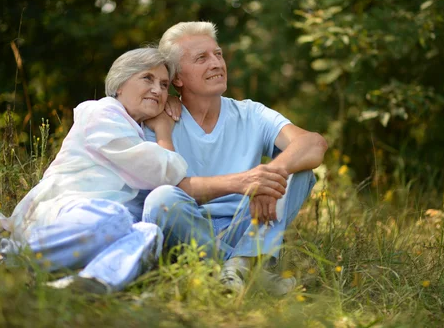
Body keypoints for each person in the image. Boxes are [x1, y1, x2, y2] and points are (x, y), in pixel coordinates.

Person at [127, 22, 328, 295]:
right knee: (162, 199)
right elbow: (173, 187)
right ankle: (252, 274)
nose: (216, 63)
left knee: (299, 172)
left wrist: (269, 175)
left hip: (248, 225)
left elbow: (313, 143)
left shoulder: (251, 113)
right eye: (202, 58)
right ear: (177, 78)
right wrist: (243, 181)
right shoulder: (159, 119)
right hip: (190, 230)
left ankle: (240, 264)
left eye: (218, 54)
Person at [0, 48, 188, 293]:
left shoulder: (133, 127)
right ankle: (6, 261)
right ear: (120, 83)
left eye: (165, 85)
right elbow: (164, 173)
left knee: (150, 232)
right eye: (148, 78)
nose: (158, 90)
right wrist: (164, 130)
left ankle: (88, 283)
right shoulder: (101, 113)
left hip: (101, 228)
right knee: (117, 216)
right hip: (65, 214)